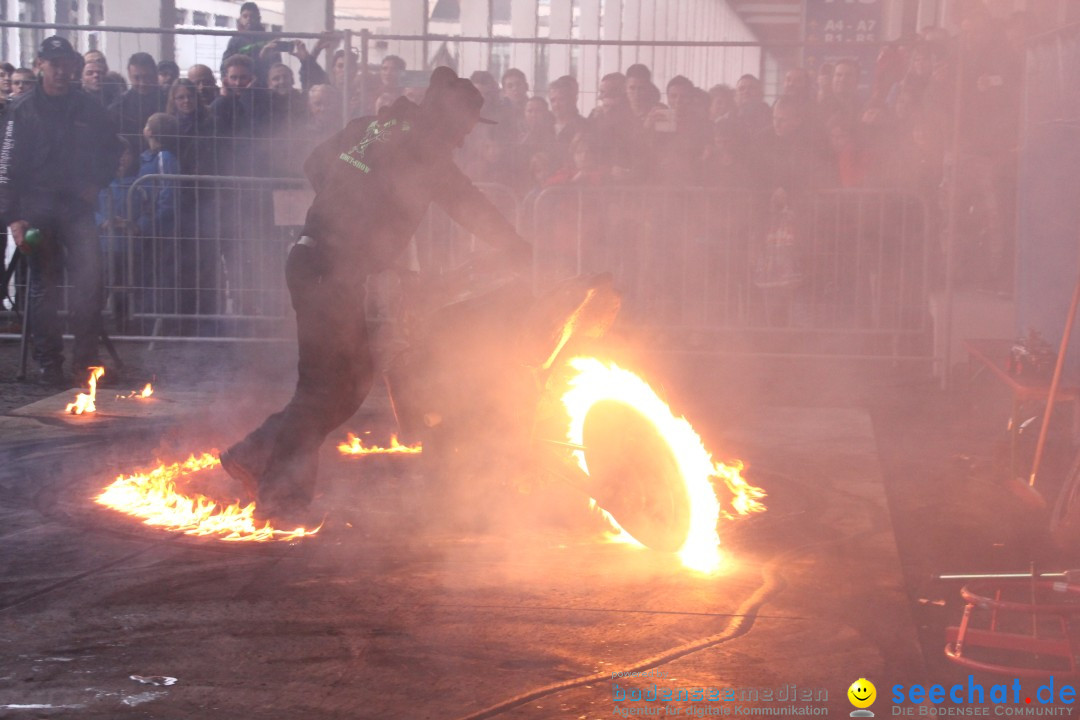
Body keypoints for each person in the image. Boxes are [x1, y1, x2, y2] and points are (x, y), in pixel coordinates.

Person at [219, 67, 531, 522]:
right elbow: (467, 204)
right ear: (448, 118)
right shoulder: (423, 152)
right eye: (464, 126)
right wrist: (514, 245)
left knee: (350, 383)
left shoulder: (372, 128)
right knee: (324, 389)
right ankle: (279, 494)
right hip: (328, 271)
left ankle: (257, 451)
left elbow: (315, 164)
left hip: (321, 266)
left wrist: (342, 213)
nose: (464, 138)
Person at [0, 36, 122, 385]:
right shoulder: (19, 110)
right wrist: (12, 218)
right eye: (55, 65)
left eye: (68, 64)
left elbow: (112, 151)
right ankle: (48, 363)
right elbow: (5, 167)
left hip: (77, 209)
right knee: (44, 286)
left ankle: (86, 362)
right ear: (40, 65)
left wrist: (96, 181)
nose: (62, 72)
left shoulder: (89, 107)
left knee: (90, 280)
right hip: (36, 210)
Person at [110, 52, 167, 149]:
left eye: (147, 77)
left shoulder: (168, 100)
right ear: (129, 75)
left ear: (155, 74)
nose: (143, 83)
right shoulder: (120, 105)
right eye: (137, 78)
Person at [221, 1, 281, 88]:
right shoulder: (235, 41)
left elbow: (276, 65)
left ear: (259, 19)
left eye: (252, 16)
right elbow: (225, 65)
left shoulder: (268, 40)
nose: (249, 19)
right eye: (245, 16)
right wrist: (226, 84)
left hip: (264, 85)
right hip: (241, 85)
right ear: (240, 19)